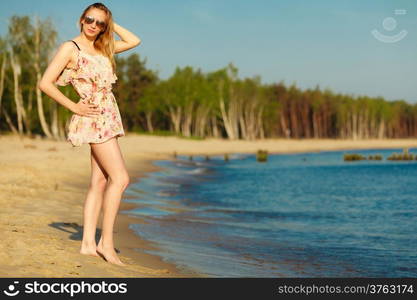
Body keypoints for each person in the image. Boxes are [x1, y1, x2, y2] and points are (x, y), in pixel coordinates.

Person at [38, 2, 141, 266]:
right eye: (89, 19)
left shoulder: (104, 48)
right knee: (121, 178)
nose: (93, 25)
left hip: (108, 115)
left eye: (100, 23)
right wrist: (74, 106)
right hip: (94, 118)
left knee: (100, 181)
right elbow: (45, 82)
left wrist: (110, 22)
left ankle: (87, 244)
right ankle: (106, 243)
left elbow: (134, 40)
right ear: (81, 19)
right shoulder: (69, 48)